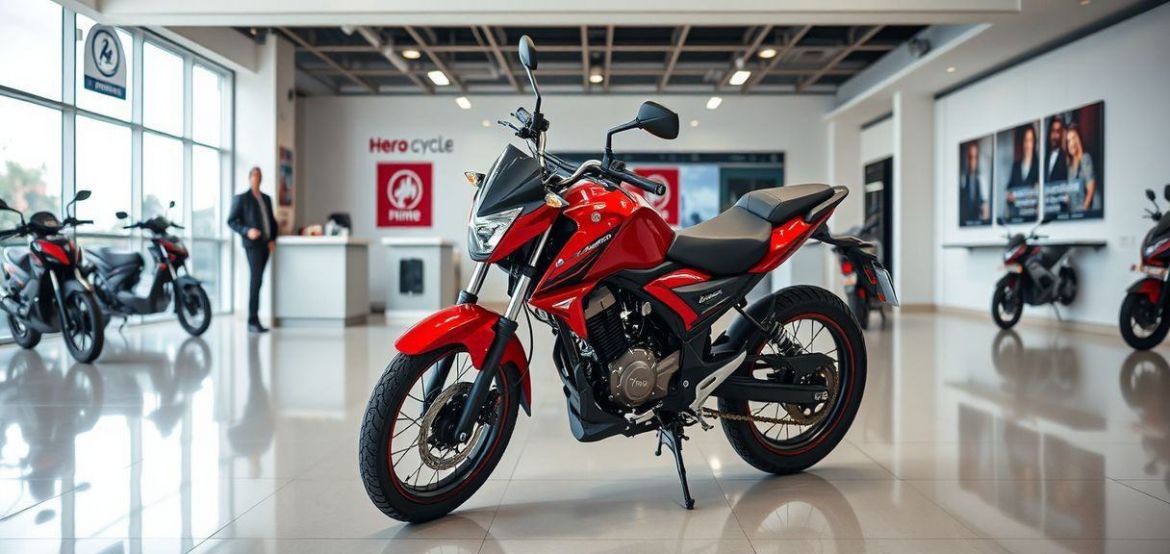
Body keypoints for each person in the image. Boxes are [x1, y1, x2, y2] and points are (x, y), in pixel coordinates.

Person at [228, 167, 278, 333]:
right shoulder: (242, 199)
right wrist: (247, 231)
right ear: (250, 178)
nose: (257, 178)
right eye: (255, 175)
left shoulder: (266, 199)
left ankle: (255, 318)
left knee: (259, 280)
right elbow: (232, 221)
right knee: (255, 281)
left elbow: (271, 221)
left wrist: (272, 239)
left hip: (266, 244)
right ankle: (252, 319)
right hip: (252, 245)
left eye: (260, 176)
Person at [1005, 125, 1039, 219]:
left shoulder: (1039, 166)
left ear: (1034, 143)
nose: (1028, 145)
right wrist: (1010, 195)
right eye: (1025, 140)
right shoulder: (1016, 166)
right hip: (1016, 216)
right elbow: (1009, 191)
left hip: (1032, 217)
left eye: (1030, 140)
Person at [1064, 124, 1098, 213]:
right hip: (1072, 214)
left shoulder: (1085, 158)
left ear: (1079, 139)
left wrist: (1083, 212)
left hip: (1083, 214)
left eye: (1074, 138)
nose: (1071, 143)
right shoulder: (1070, 166)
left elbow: (1091, 190)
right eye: (1068, 141)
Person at [960, 141, 988, 224]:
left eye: (975, 157)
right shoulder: (963, 179)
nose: (972, 161)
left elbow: (985, 208)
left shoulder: (982, 180)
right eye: (970, 157)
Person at [1044, 116, 1068, 182]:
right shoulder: (1045, 157)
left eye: (1058, 131)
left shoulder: (1065, 156)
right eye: (1053, 131)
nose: (1054, 135)